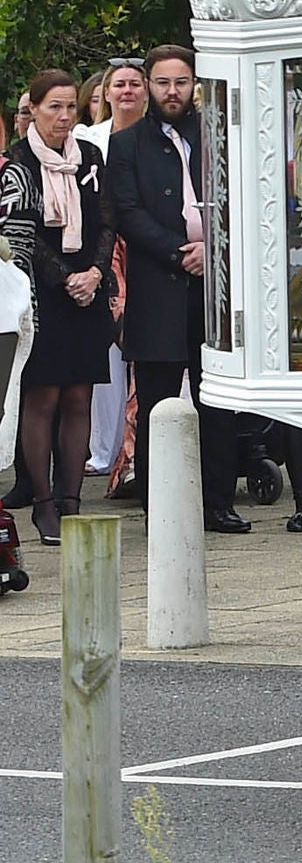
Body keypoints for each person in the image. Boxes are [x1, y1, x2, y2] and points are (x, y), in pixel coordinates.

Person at [109, 46, 245, 535]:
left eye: (181, 82)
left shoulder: (220, 133)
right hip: (158, 286)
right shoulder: (127, 145)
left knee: (218, 398)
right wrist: (178, 251)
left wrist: (214, 250)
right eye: (163, 82)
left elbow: (241, 194)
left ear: (196, 85)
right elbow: (126, 211)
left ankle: (218, 503)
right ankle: (158, 506)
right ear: (148, 84)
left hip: (216, 286)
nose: (172, 91)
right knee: (156, 401)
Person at [0, 72, 115, 546]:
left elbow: (106, 219)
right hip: (40, 293)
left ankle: (72, 499)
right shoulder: (18, 163)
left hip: (86, 288)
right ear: (36, 109)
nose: (64, 117)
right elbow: (19, 234)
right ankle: (43, 502)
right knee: (42, 397)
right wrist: (64, 277)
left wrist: (94, 273)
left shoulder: (89, 156)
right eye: (54, 108)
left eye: (71, 107)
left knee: (78, 396)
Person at [79, 59, 147, 497]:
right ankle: (103, 450)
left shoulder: (157, 137)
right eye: (118, 84)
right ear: (104, 92)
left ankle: (139, 454)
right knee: (107, 353)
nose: (126, 91)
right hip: (103, 252)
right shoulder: (89, 139)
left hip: (146, 250)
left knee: (145, 354)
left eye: (133, 84)